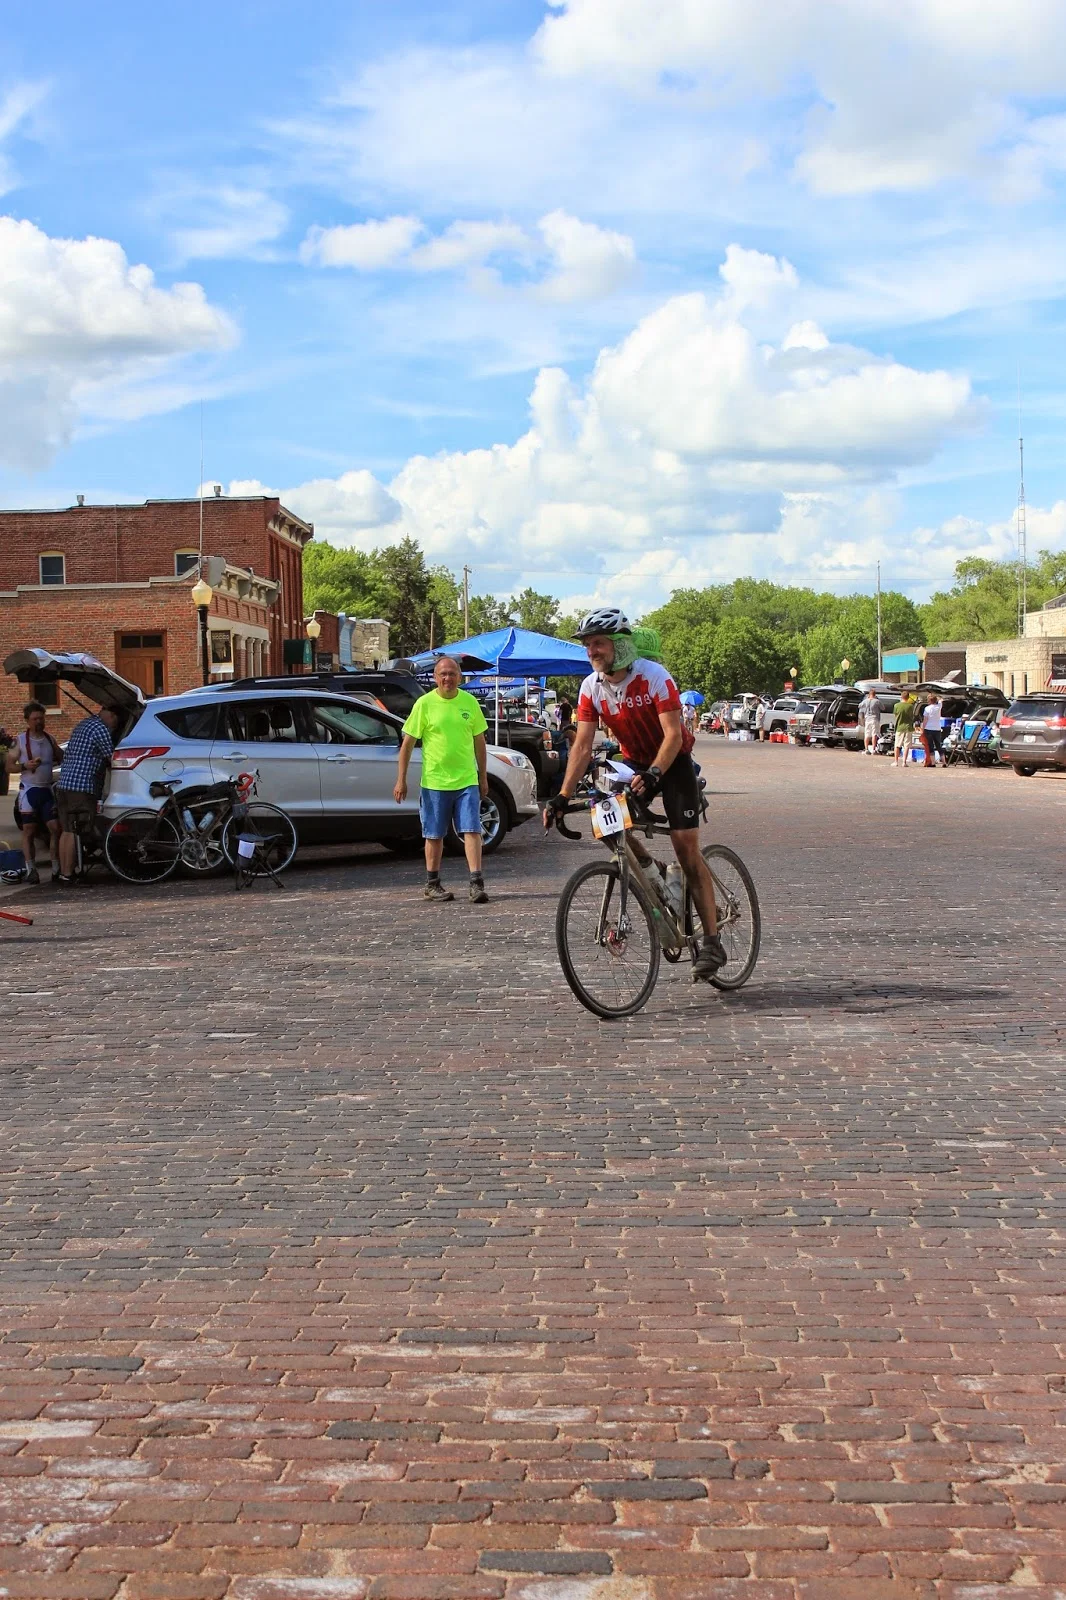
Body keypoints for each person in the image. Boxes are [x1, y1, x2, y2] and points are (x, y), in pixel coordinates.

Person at [543, 608, 727, 980]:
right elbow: (580, 746)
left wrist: (656, 772)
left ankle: (711, 941)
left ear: (620, 645)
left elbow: (674, 735)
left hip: (672, 763)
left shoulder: (654, 677)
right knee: (604, 820)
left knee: (685, 849)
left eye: (599, 643)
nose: (592, 651)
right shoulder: (590, 687)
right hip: (631, 762)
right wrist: (561, 796)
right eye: (588, 645)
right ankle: (650, 870)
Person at [394, 656, 490, 903]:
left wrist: (482, 776)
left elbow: (480, 742)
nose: (448, 678)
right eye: (443, 674)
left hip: (466, 779)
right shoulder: (424, 704)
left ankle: (476, 883)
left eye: (452, 673)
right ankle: (432, 883)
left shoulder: (470, 702)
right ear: (436, 678)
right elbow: (407, 744)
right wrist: (401, 779)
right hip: (435, 782)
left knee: (472, 830)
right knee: (434, 834)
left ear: (459, 676)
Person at [54, 704, 121, 885]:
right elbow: (112, 759)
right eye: (115, 720)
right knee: (75, 831)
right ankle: (69, 874)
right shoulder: (101, 729)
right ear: (111, 716)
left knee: (66, 830)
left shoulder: (84, 724)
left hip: (65, 783)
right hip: (81, 786)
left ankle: (64, 872)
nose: (115, 724)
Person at [7, 700, 62, 883]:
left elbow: (60, 757)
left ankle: (56, 867)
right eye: (35, 719)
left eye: (41, 718)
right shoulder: (20, 741)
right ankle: (31, 869)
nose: (39, 722)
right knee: (29, 830)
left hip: (46, 790)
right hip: (29, 790)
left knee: (55, 828)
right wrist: (24, 765)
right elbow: (8, 767)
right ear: (27, 721)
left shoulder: (49, 739)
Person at [892, 691, 917, 769]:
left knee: (897, 745)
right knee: (906, 745)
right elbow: (913, 716)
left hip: (899, 727)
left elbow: (895, 716)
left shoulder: (896, 705)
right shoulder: (911, 706)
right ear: (908, 697)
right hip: (908, 727)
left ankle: (896, 761)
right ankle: (904, 762)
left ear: (901, 697)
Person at [922, 695, 945, 767]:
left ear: (929, 701)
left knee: (930, 746)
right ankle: (944, 762)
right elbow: (941, 699)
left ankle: (933, 763)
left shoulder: (927, 708)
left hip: (928, 729)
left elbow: (925, 720)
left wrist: (923, 728)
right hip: (937, 728)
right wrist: (936, 697)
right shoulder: (939, 707)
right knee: (939, 746)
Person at [858, 688, 882, 755]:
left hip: (867, 718)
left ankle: (866, 749)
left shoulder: (865, 701)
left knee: (867, 734)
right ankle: (874, 750)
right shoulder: (877, 701)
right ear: (875, 694)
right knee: (874, 734)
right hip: (875, 718)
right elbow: (883, 708)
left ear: (869, 694)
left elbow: (859, 706)